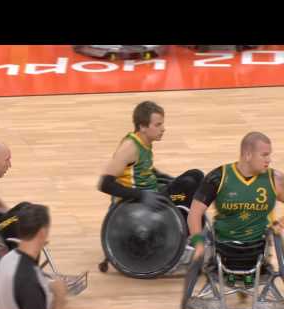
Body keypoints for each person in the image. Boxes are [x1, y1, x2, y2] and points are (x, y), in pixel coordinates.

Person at [186, 131, 284, 289]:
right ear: (247, 155)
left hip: (257, 251)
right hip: (223, 251)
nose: (269, 159)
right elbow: (194, 214)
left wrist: (281, 223)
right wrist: (198, 245)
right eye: (264, 155)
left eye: (269, 155)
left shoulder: (275, 179)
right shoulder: (218, 177)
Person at [98, 100, 204, 216]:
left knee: (196, 175)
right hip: (138, 201)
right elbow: (105, 184)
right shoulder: (129, 148)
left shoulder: (144, 141)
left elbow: (145, 169)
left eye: (162, 124)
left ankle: (185, 217)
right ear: (142, 127)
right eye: (158, 125)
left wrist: (169, 179)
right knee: (187, 190)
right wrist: (141, 195)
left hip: (154, 193)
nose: (163, 129)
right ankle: (184, 223)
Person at [0, 203, 67, 309]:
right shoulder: (30, 280)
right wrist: (60, 298)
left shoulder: (5, 260)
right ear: (42, 233)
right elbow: (27, 287)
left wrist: (45, 286)